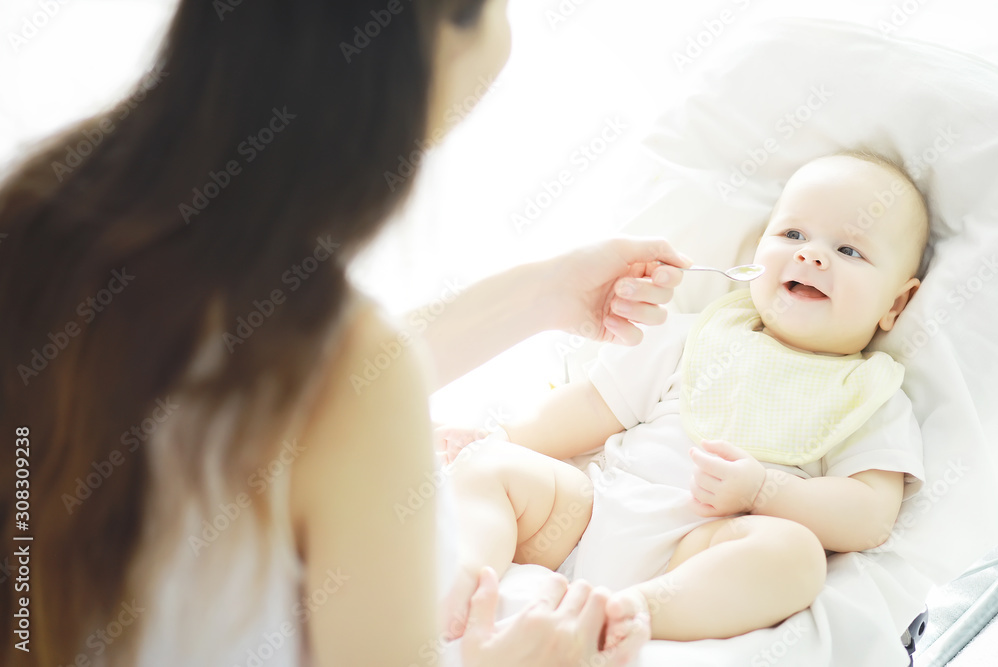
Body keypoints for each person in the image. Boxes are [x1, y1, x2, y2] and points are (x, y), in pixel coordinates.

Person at [0, 1, 687, 665]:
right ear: (441, 31)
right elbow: (328, 395)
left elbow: (273, 392)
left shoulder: (41, 211)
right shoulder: (349, 371)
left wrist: (544, 293)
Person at [438, 151, 929, 647]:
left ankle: (632, 613)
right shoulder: (694, 337)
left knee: (795, 555)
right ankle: (462, 577)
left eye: (849, 251)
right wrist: (504, 437)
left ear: (895, 304)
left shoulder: (873, 399)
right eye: (793, 235)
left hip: (698, 553)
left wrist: (763, 491)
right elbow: (594, 403)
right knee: (488, 464)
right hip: (589, 515)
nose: (811, 256)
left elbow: (870, 516)